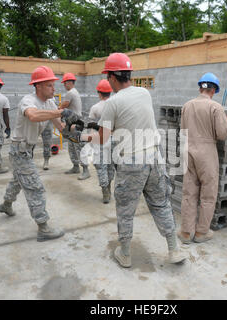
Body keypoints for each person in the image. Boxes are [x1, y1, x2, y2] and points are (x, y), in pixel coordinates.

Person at [80, 53, 187, 267]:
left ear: (111, 77)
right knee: (161, 203)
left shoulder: (113, 102)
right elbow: (128, 120)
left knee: (126, 208)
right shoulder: (144, 93)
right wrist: (98, 126)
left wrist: (82, 136)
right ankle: (174, 248)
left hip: (132, 162)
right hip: (155, 157)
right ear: (128, 74)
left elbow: (103, 138)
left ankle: (126, 253)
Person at [0, 66, 77, 242]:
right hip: (20, 151)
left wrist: (76, 132)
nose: (54, 89)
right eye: (50, 85)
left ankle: (6, 204)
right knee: (35, 187)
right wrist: (61, 111)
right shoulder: (28, 101)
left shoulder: (49, 103)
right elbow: (32, 115)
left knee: (18, 180)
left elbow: (60, 127)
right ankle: (43, 227)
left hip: (27, 150)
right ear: (38, 86)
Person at [178, 73, 227, 244]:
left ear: (200, 88)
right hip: (206, 152)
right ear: (214, 90)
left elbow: (182, 130)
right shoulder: (216, 107)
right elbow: (222, 134)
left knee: (189, 192)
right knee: (208, 193)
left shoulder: (187, 105)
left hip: (188, 149)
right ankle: (202, 232)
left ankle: (186, 233)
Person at [88, 79, 115, 203]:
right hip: (113, 140)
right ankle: (108, 188)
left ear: (99, 93)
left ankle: (105, 192)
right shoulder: (115, 106)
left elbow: (91, 127)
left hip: (100, 140)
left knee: (101, 166)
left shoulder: (95, 108)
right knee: (110, 166)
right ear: (110, 92)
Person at [60, 73, 89, 180]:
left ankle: (86, 170)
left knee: (79, 147)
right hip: (71, 123)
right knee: (72, 146)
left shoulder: (70, 93)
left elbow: (63, 106)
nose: (64, 85)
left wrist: (56, 108)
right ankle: (76, 167)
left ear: (70, 82)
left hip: (75, 123)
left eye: (65, 83)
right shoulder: (73, 92)